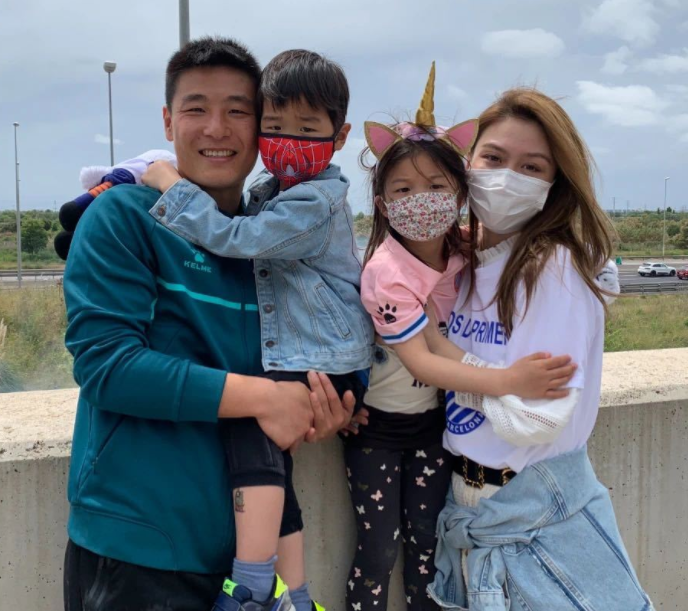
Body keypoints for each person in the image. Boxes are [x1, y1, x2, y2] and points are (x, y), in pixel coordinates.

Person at [62, 37, 354, 611]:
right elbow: (108, 367)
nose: (216, 128)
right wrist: (266, 398)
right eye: (196, 108)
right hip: (135, 548)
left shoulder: (272, 244)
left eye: (238, 111)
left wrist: (322, 401)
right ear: (169, 121)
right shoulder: (124, 217)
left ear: (261, 128)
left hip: (247, 562)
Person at [141, 49, 373, 611]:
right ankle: (296, 595)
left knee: (251, 436)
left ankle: (249, 585)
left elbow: (237, 239)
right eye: (275, 126)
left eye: (307, 130)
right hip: (312, 356)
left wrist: (171, 186)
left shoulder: (315, 200)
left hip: (324, 359)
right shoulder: (275, 191)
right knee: (273, 468)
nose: (288, 140)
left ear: (340, 136)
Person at [342, 66, 578, 611]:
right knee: (378, 552)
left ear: (460, 194)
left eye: (436, 186)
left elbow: (524, 241)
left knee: (429, 547)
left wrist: (591, 267)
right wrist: (508, 381)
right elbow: (423, 362)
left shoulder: (462, 248)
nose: (420, 199)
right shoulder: (386, 272)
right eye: (403, 189)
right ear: (382, 203)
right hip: (376, 430)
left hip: (435, 428)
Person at [426, 88, 651, 611]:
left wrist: (441, 361)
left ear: (555, 183)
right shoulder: (462, 265)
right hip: (470, 510)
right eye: (493, 158)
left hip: (534, 522)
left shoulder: (553, 269)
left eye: (532, 167)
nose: (507, 178)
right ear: (466, 163)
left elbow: (532, 419)